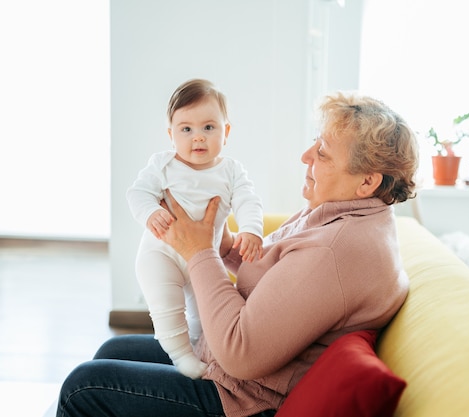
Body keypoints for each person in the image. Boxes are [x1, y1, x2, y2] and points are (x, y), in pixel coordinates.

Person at [57, 91, 419, 417]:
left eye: (322, 153)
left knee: (84, 387)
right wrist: (226, 247)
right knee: (113, 350)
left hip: (241, 400)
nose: (306, 156)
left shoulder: (335, 249)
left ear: (368, 182)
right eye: (315, 143)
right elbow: (281, 276)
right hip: (226, 372)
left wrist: (199, 251)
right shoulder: (345, 214)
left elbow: (240, 352)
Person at [126, 78, 264, 379]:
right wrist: (149, 211)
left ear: (226, 132)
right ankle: (181, 356)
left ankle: (201, 351)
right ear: (171, 135)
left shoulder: (231, 171)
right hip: (159, 254)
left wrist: (251, 229)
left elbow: (248, 201)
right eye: (186, 129)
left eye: (209, 128)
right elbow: (137, 193)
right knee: (167, 308)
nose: (197, 138)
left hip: (203, 261)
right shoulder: (163, 165)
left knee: (207, 314)